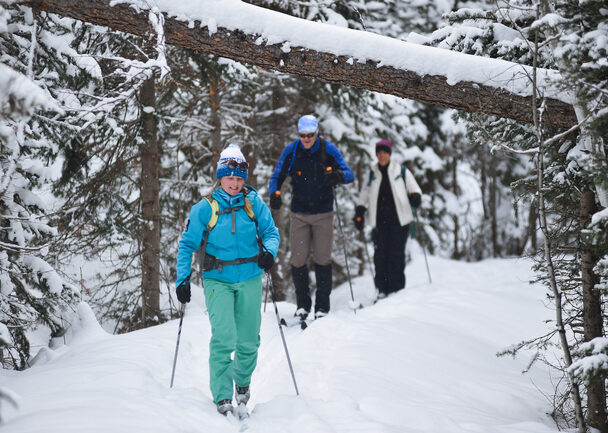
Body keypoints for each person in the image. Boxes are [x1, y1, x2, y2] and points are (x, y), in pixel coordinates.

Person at [175, 144, 280, 416]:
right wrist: (182, 280)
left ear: (244, 178)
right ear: (220, 177)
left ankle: (242, 384)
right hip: (216, 278)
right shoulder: (204, 208)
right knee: (224, 336)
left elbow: (270, 232)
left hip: (250, 277)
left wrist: (269, 252)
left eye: (239, 178)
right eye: (229, 177)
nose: (234, 183)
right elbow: (187, 245)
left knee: (248, 340)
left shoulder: (253, 203)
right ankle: (222, 395)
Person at [269, 114, 354, 320]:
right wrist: (275, 194)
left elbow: (349, 173)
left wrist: (338, 176)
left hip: (324, 213)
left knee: (322, 259)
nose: (306, 139)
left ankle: (322, 307)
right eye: (303, 135)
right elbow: (277, 176)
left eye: (310, 135)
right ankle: (303, 306)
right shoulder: (292, 151)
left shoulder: (328, 150)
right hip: (299, 213)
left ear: (317, 133)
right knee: (298, 260)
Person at [354, 139, 422, 298]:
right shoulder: (372, 173)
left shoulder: (401, 171)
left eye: (384, 152)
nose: (382, 155)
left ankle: (396, 291)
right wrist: (359, 211)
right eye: (379, 152)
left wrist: (415, 198)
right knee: (380, 256)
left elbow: (415, 189)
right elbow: (363, 195)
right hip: (379, 222)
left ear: (389, 154)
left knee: (396, 255)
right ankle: (382, 290)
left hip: (399, 220)